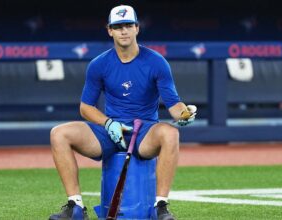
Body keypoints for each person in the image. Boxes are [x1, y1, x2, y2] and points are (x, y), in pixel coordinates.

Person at [49, 5, 197, 220]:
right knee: (59, 133)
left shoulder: (156, 62)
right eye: (118, 27)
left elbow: (174, 105)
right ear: (110, 30)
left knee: (171, 133)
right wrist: (109, 123)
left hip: (145, 131)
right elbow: (86, 107)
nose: (124, 31)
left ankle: (160, 207)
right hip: (111, 131)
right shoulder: (99, 64)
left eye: (128, 25)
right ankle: (76, 207)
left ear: (137, 28)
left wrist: (184, 115)